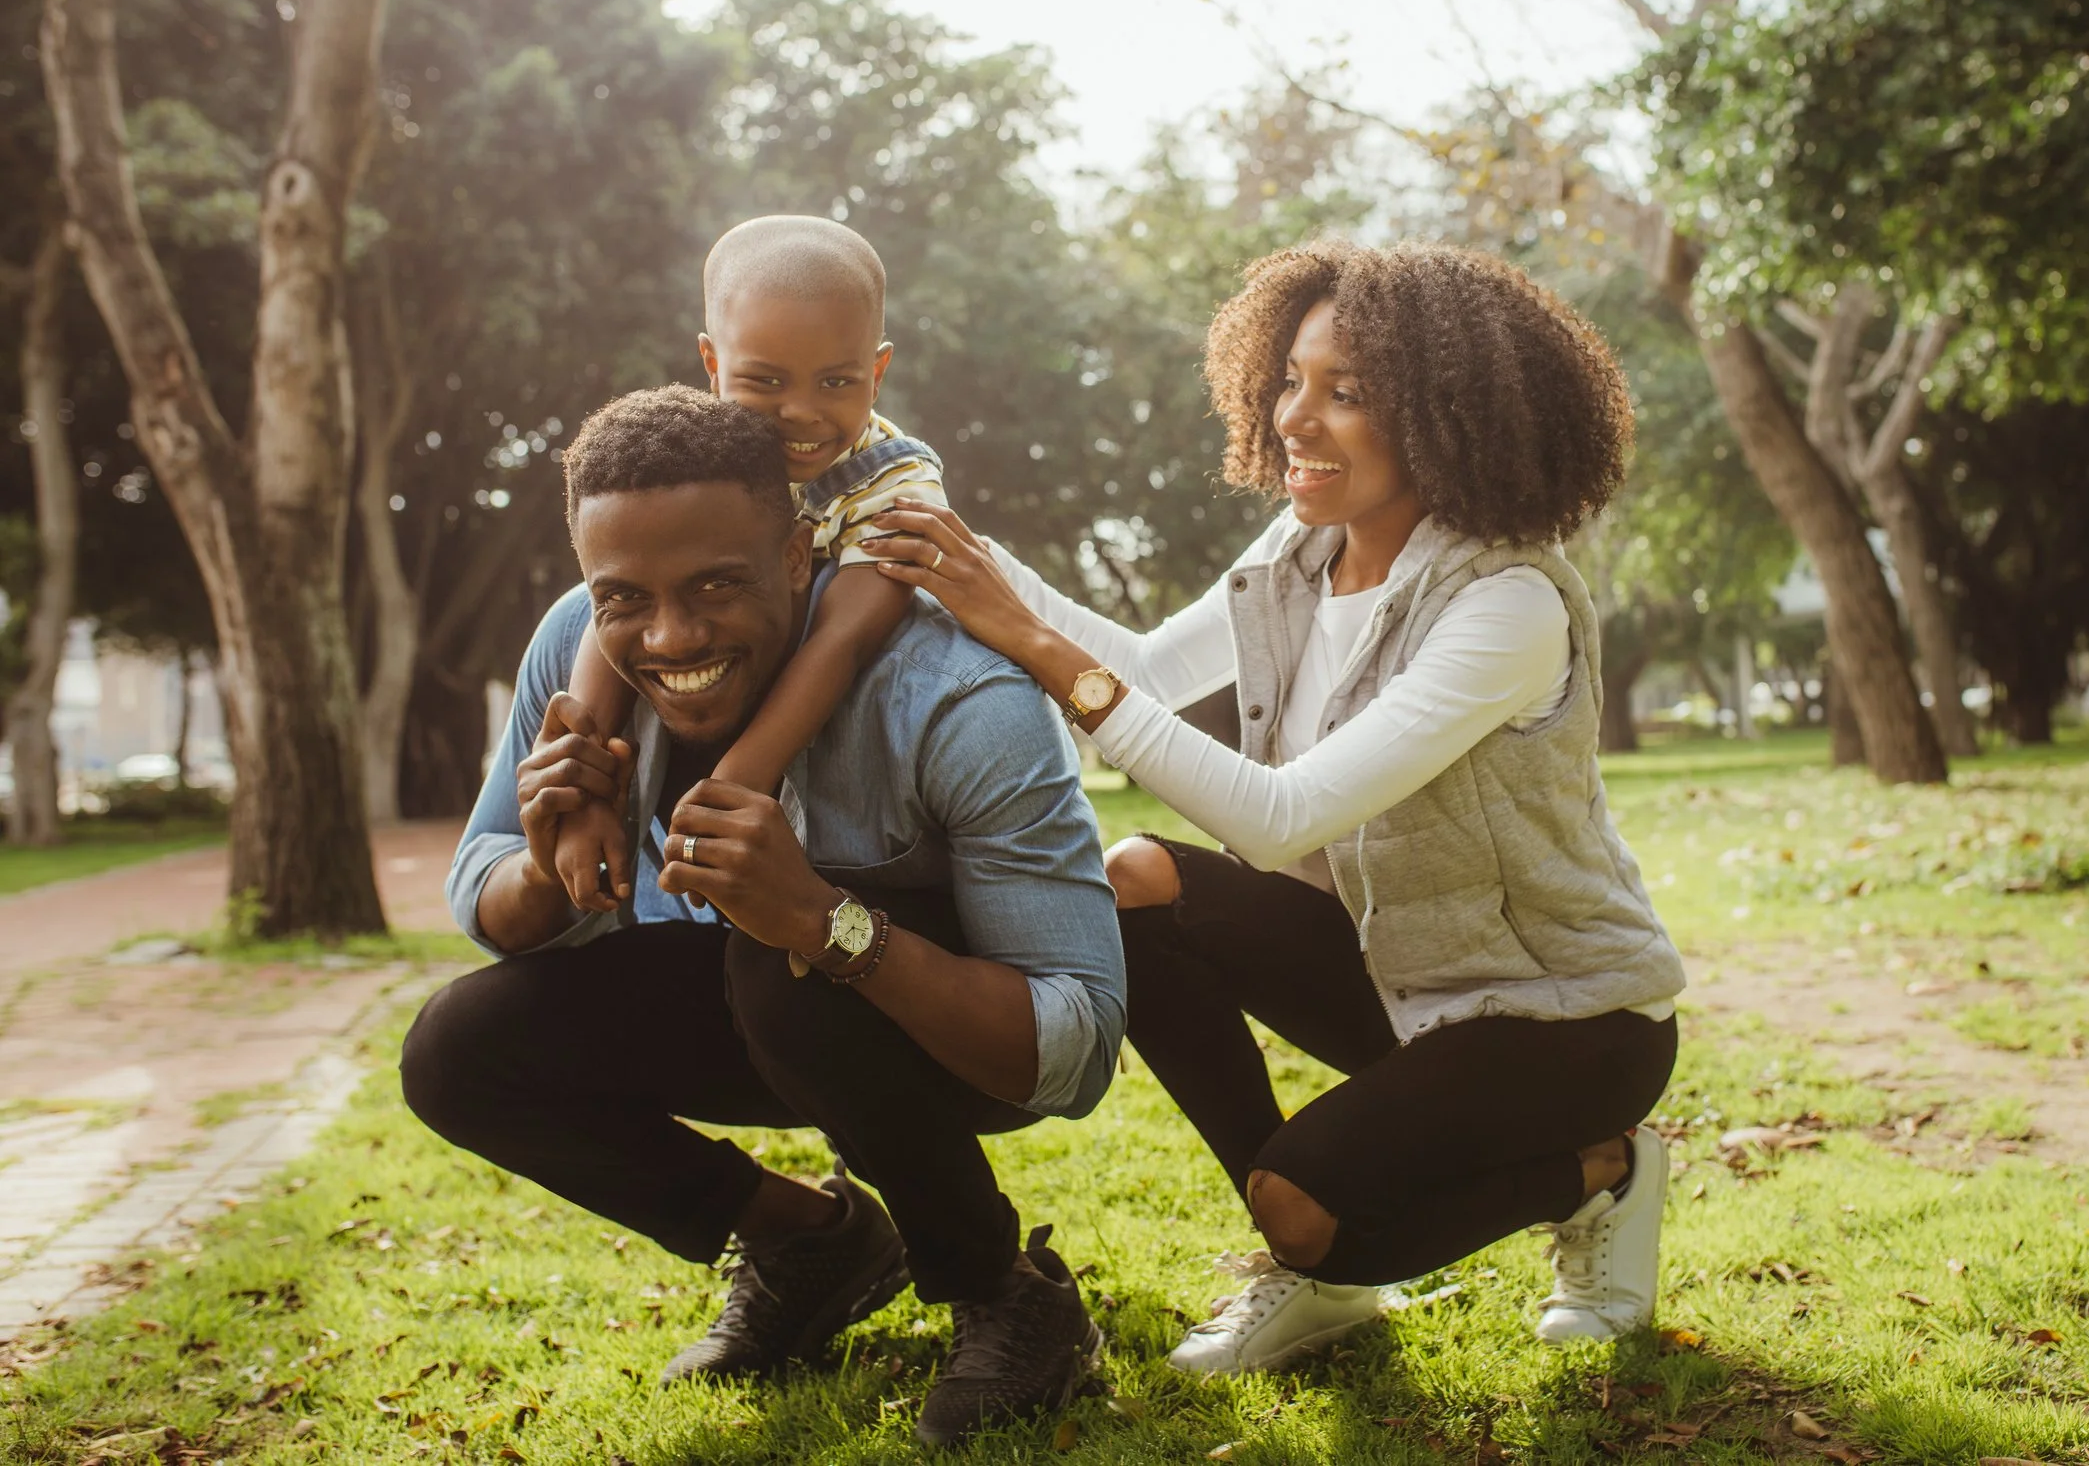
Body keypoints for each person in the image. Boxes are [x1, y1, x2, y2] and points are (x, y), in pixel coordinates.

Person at [867, 239, 1687, 1376]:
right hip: (1394, 978)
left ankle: (1602, 1170)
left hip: (1564, 1023)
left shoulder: (1506, 604)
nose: (1294, 417)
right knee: (1138, 878)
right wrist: (963, 550)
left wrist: (1028, 640)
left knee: (1309, 1200)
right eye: (1291, 378)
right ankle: (1306, 1242)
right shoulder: (1303, 550)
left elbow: (1279, 817)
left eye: (1347, 392)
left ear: (1453, 417)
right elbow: (1148, 673)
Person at [400, 386, 1123, 1449]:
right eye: (625, 598)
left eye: (714, 585)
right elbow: (486, 882)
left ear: (797, 555)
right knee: (458, 1049)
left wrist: (829, 922)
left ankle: (1008, 1293)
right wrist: (550, 859)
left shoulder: (957, 694)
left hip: (952, 1039)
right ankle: (811, 1238)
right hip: (756, 1007)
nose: (670, 634)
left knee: (780, 973)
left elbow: (1078, 1045)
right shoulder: (576, 646)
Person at [548, 216, 947, 916]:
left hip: (805, 749)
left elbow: (841, 638)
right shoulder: (699, 459)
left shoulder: (896, 484)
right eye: (763, 380)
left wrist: (733, 787)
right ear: (712, 364)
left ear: (877, 371)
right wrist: (581, 796)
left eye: (835, 380)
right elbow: (614, 607)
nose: (799, 412)